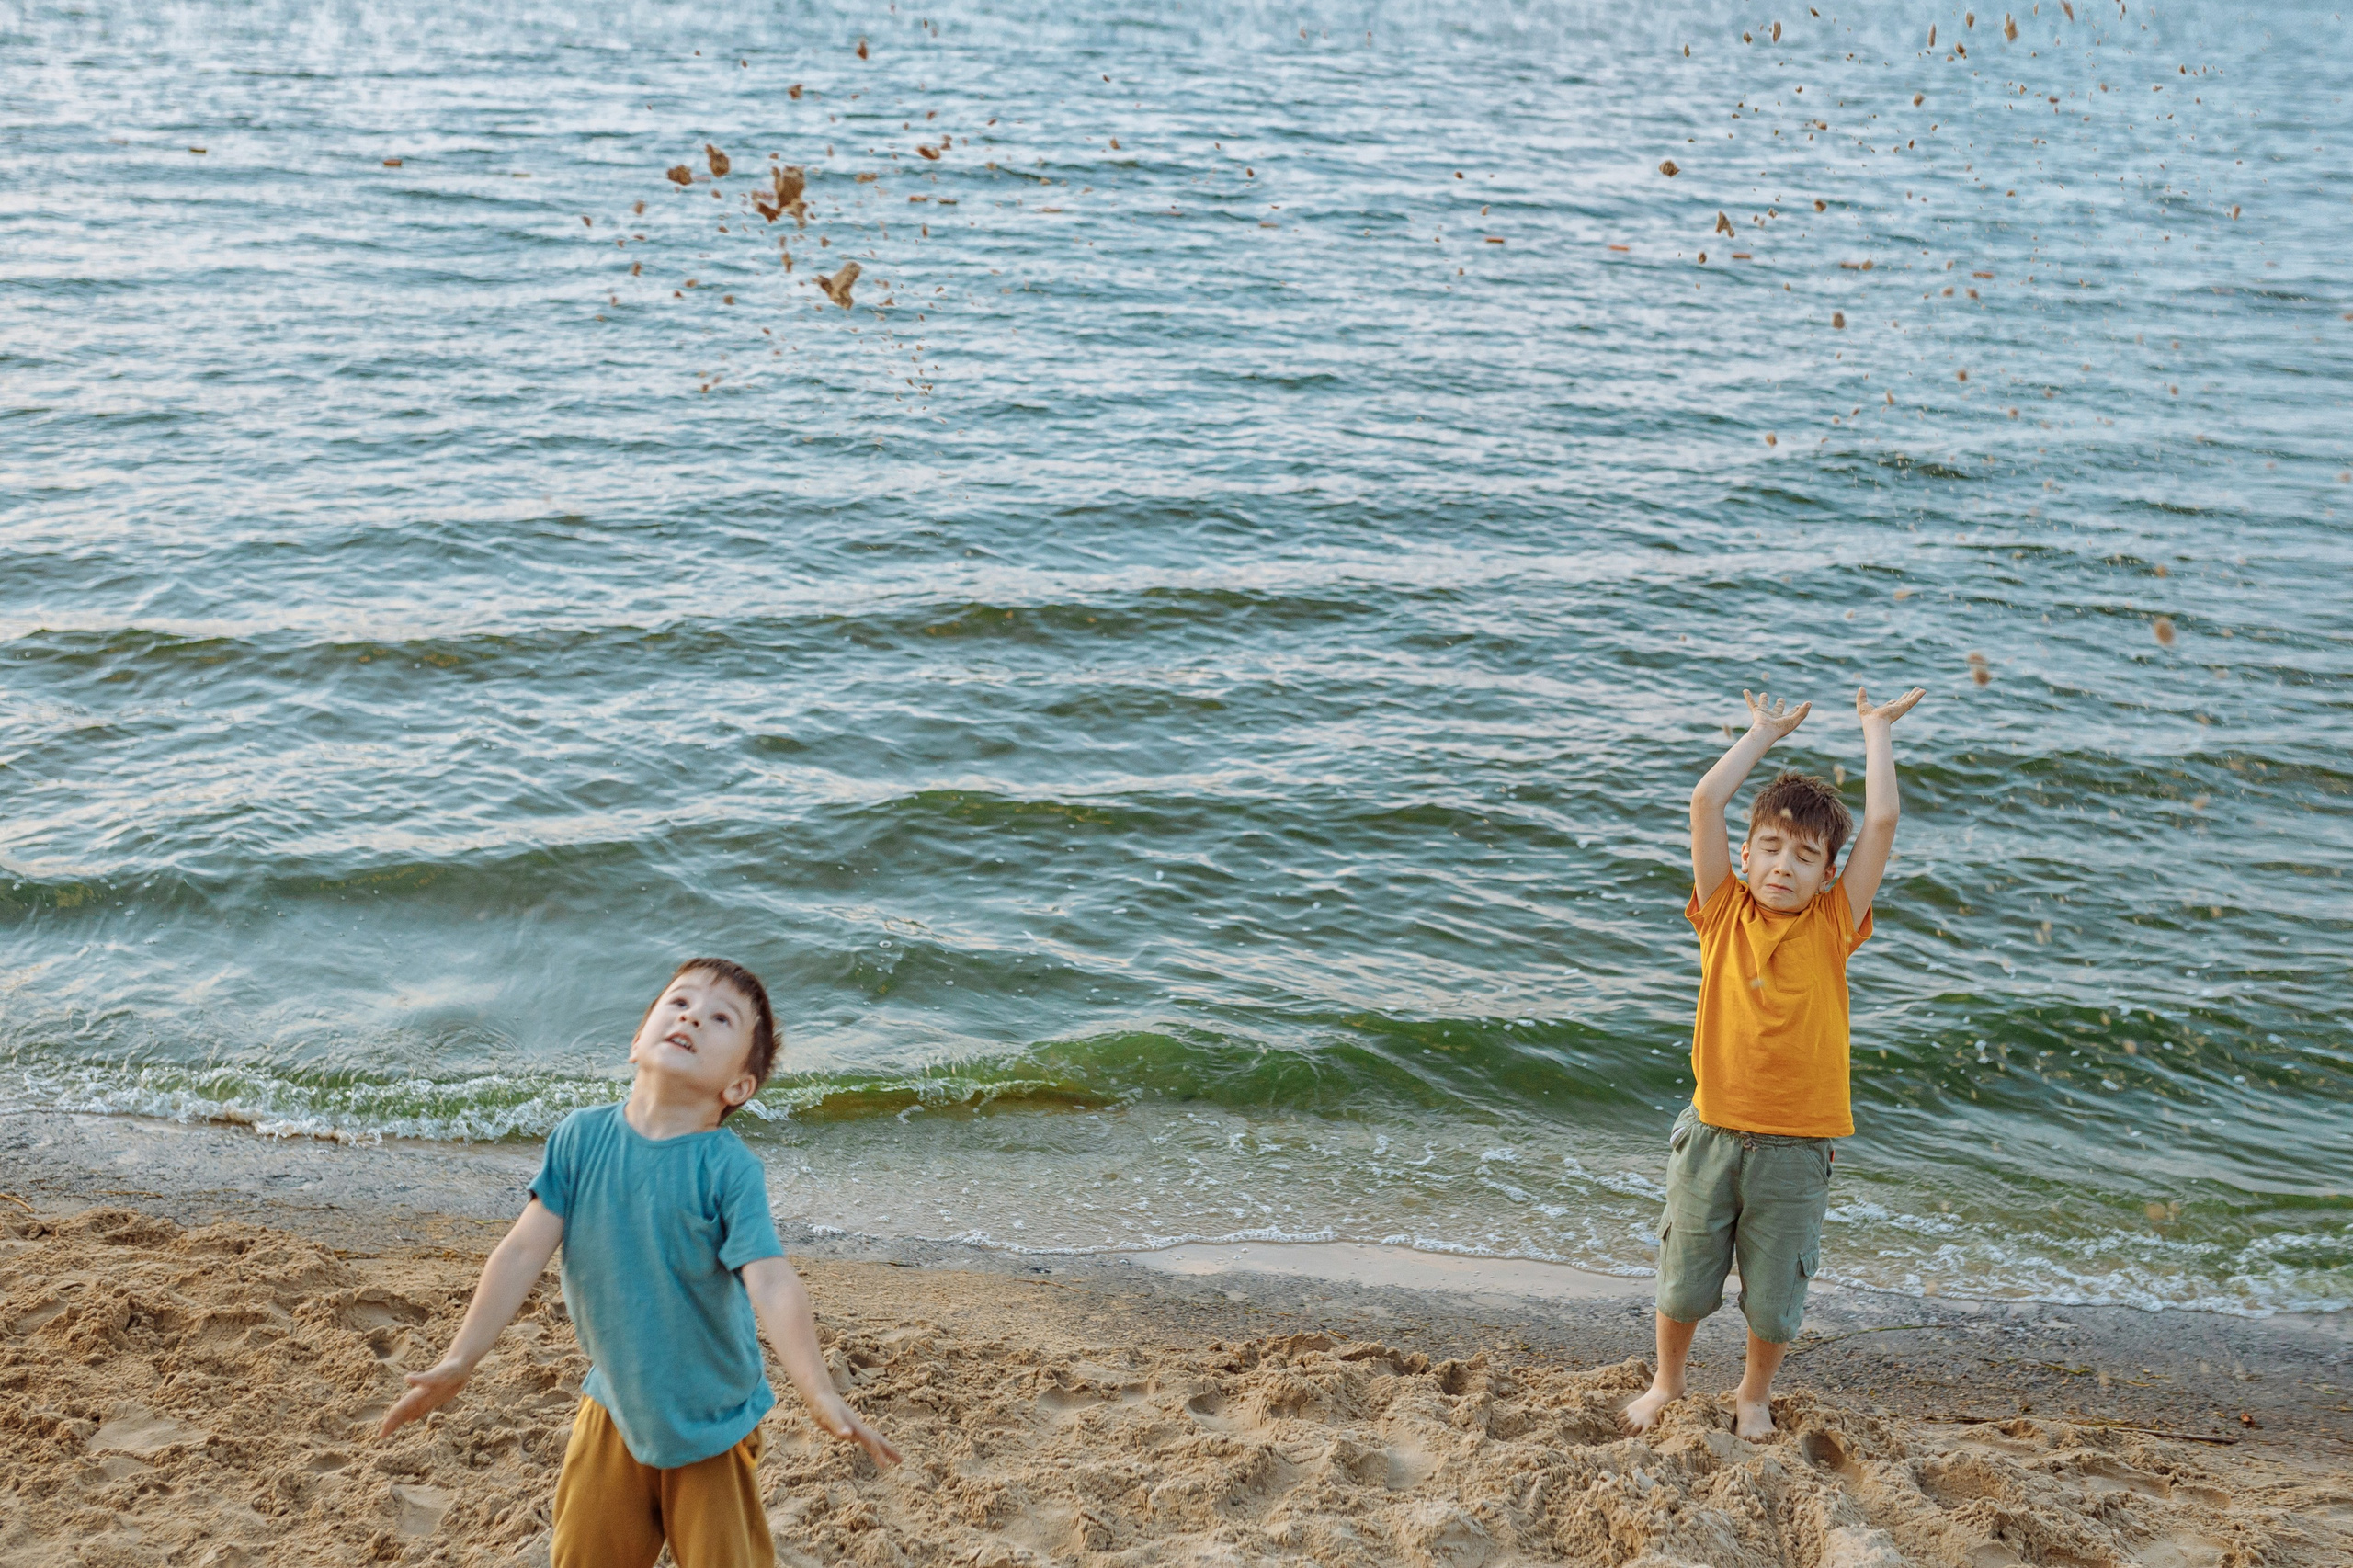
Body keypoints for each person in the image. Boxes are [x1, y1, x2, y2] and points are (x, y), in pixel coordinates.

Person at [379, 957, 899, 1567]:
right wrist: (462, 1358)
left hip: (710, 1422)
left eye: (720, 1018)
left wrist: (817, 1390)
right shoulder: (580, 1139)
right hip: (614, 1404)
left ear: (738, 1087)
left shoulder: (727, 1171)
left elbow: (772, 1281)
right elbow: (522, 1249)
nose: (692, 1017)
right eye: (678, 1004)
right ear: (637, 1040)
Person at [1623, 686, 1925, 1440]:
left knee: (1775, 1295)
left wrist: (1875, 730)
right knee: (1684, 1278)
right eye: (1770, 847)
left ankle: (1753, 1395)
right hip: (1712, 1133)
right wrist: (1761, 733)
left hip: (1796, 1147)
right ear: (1749, 853)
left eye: (1805, 854)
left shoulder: (1834, 923)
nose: (1783, 865)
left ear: (1829, 873)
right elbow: (1704, 802)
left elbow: (1882, 821)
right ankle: (1667, 1382)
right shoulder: (1721, 908)